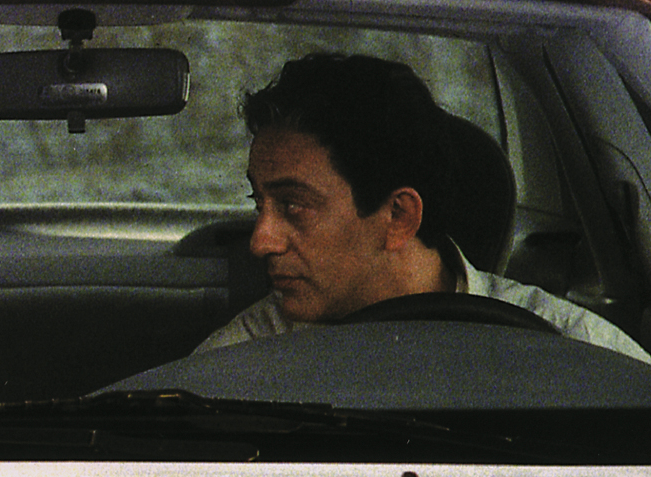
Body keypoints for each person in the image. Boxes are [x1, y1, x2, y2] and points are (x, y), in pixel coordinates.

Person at [197, 53, 651, 363]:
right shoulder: (242, 359)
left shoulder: (576, 348)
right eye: (259, 203)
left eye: (294, 206)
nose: (260, 241)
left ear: (399, 216)